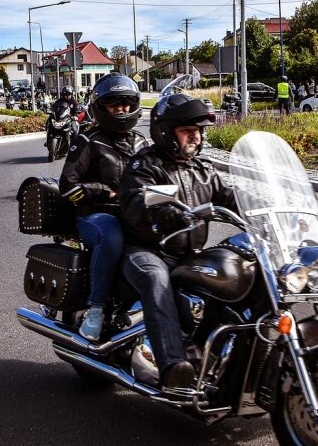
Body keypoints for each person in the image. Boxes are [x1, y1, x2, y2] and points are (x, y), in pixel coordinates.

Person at [118, 93, 239, 389]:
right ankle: (173, 365)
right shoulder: (145, 165)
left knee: (237, 268)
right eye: (187, 131)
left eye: (197, 131)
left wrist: (264, 208)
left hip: (190, 254)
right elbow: (136, 199)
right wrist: (162, 210)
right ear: (165, 132)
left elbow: (230, 198)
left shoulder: (202, 169)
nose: (195, 137)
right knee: (156, 278)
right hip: (147, 251)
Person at [59, 73, 148, 341]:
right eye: (113, 103)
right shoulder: (88, 141)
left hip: (132, 213)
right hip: (95, 216)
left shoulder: (141, 142)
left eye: (126, 102)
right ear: (101, 107)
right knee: (110, 234)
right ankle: (96, 309)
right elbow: (67, 186)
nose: (121, 108)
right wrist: (105, 192)